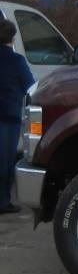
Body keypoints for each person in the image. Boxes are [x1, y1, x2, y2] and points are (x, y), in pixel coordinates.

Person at [0, 19, 34, 214]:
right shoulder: (17, 60)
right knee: (5, 160)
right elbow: (29, 86)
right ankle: (3, 201)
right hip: (9, 115)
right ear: (12, 38)